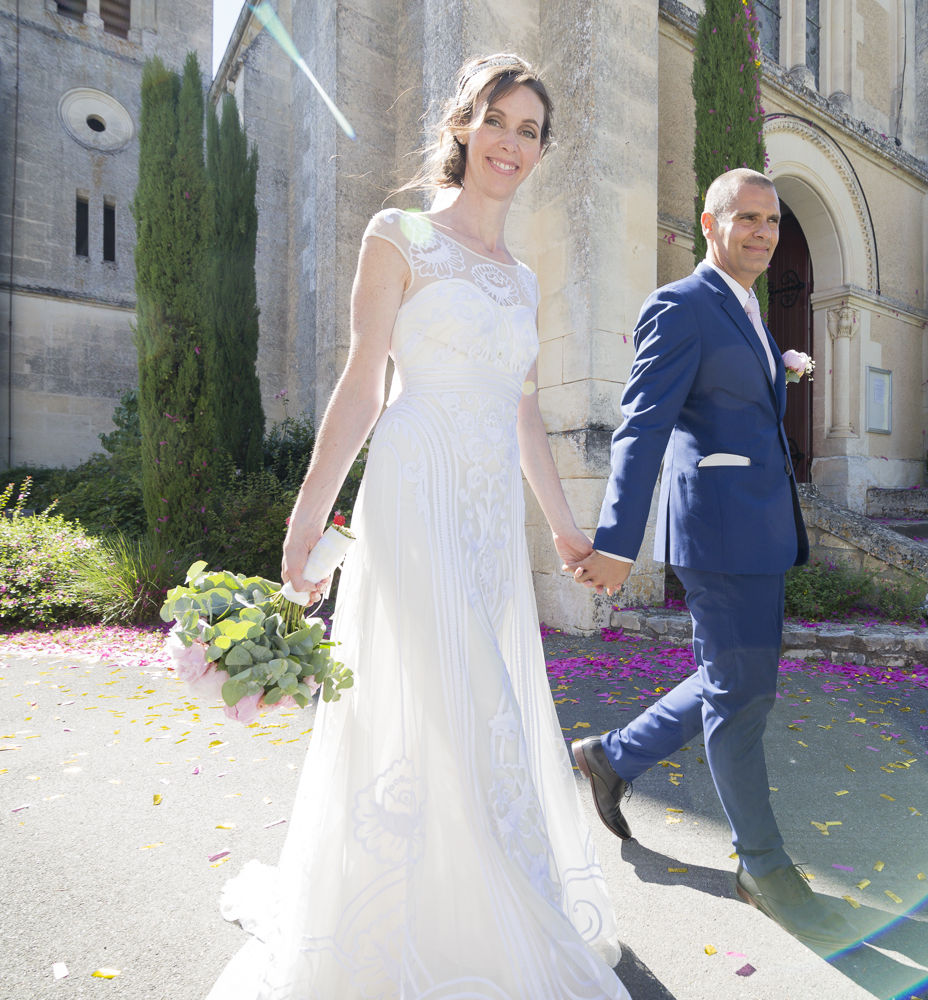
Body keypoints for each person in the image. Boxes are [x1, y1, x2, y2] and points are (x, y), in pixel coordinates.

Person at [205, 54, 629, 1000]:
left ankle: (465, 906)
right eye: (497, 121)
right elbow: (364, 384)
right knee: (457, 692)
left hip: (489, 512)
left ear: (541, 150)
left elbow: (524, 413)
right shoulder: (398, 235)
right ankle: (454, 922)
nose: (511, 143)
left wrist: (565, 529)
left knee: (473, 696)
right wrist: (308, 519)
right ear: (462, 126)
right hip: (414, 488)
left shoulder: (523, 280)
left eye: (530, 130)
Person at [567, 168, 853, 955]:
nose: (763, 232)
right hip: (720, 532)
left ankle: (609, 758)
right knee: (742, 694)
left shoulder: (749, 310)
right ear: (710, 222)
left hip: (758, 528)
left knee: (737, 681)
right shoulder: (681, 305)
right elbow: (641, 426)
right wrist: (616, 543)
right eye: (747, 218)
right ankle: (763, 867)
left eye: (772, 220)